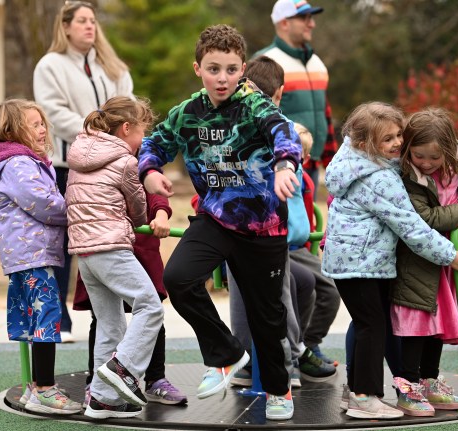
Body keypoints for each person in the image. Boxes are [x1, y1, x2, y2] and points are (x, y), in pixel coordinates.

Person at [137, 24, 302, 421]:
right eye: (213, 69)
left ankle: (280, 390)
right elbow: (153, 144)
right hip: (215, 219)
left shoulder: (255, 105)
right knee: (177, 278)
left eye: (231, 69)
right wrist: (149, 171)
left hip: (263, 227)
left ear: (243, 68)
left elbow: (284, 134)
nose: (222, 78)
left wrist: (283, 166)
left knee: (268, 319)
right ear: (198, 68)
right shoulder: (187, 112)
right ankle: (225, 354)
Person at [321, 102, 458, 420]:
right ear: (365, 143)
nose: (398, 142)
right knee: (372, 327)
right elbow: (412, 227)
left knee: (368, 325)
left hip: (356, 259)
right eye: (388, 138)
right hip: (362, 263)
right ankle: (365, 396)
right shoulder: (380, 180)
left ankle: (361, 392)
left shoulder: (352, 159)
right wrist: (449, 255)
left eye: (398, 134)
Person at [227, 56, 335, 388]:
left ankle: (300, 348)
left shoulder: (281, 131)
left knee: (310, 286)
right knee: (275, 293)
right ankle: (275, 359)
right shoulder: (235, 129)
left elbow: (294, 179)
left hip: (284, 236)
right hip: (250, 233)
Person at [33, 1, 135, 341]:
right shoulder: (51, 66)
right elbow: (54, 113)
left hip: (111, 167)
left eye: (93, 20)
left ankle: (108, 314)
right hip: (69, 166)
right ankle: (59, 319)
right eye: (81, 21)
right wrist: (96, 135)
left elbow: (128, 107)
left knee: (108, 237)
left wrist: (113, 142)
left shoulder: (113, 67)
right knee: (63, 243)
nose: (89, 26)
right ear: (65, 27)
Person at [0, 99, 82, 415]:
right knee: (46, 318)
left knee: (36, 318)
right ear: (12, 131)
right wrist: (76, 211)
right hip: (32, 253)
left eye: (42, 124)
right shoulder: (18, 165)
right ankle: (45, 389)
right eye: (33, 125)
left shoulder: (25, 162)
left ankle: (34, 387)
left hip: (29, 253)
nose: (42, 130)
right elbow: (43, 202)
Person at [65, 96, 164, 419]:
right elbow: (138, 206)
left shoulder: (78, 155)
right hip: (110, 246)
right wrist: (144, 221)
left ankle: (102, 399)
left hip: (85, 253)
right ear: (125, 129)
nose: (142, 141)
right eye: (141, 133)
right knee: (149, 305)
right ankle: (123, 370)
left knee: (110, 323)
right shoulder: (125, 161)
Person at [389, 108, 458, 416]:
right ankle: (408, 388)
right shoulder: (409, 177)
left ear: (447, 150)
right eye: (419, 156)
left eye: (434, 158)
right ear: (408, 151)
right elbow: (426, 217)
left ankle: (430, 380)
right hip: (420, 259)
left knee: (441, 321)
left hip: (450, 258)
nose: (427, 164)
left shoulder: (453, 165)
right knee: (418, 323)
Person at [72, 191, 187, 407]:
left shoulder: (138, 161)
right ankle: (100, 385)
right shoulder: (98, 163)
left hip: (137, 244)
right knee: (107, 318)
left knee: (149, 314)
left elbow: (153, 186)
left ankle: (153, 379)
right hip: (104, 242)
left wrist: (161, 213)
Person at [255, 0, 338, 199]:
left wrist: (332, 165)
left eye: (311, 18)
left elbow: (324, 114)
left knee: (305, 225)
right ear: (284, 23)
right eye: (304, 18)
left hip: (312, 165)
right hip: (280, 168)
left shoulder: (317, 63)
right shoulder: (265, 62)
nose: (312, 24)